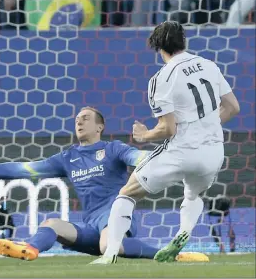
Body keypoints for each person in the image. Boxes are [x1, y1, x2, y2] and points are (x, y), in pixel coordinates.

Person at [91, 21, 240, 264]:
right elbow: (233, 107)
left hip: (182, 151)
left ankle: (109, 256)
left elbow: (167, 129)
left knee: (126, 194)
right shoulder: (210, 66)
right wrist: (207, 126)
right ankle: (183, 233)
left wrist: (144, 136)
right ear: (184, 42)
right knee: (192, 196)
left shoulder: (162, 78)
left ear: (158, 47)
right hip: (214, 153)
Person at [0, 106, 160, 261]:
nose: (79, 122)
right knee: (52, 225)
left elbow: (137, 157)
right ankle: (29, 250)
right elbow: (26, 169)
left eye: (85, 118)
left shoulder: (113, 148)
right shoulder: (68, 158)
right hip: (91, 225)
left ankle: (166, 254)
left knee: (107, 245)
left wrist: (158, 158)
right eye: (77, 119)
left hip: (116, 216)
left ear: (100, 126)